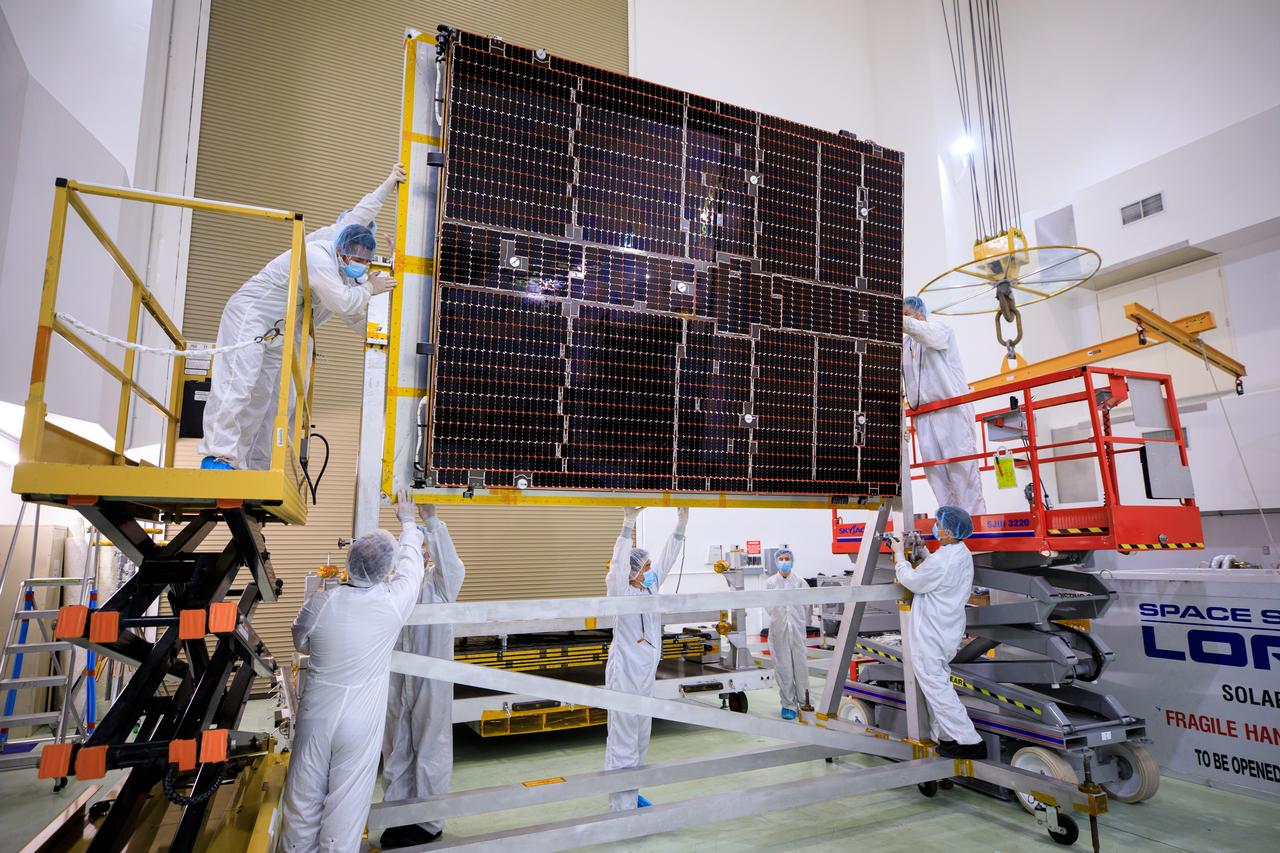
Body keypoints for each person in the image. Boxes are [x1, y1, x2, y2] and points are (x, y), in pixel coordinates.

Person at [198, 164, 405, 471]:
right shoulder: (322, 253)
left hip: (281, 330)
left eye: (367, 256)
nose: (362, 260)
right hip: (253, 315)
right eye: (357, 253)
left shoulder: (345, 276)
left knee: (267, 399)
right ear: (344, 242)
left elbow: (355, 316)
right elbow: (348, 301)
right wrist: (389, 183)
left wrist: (388, 337)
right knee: (238, 383)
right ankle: (217, 456)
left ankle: (252, 466)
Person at [280, 491, 427, 851]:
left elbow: (300, 642)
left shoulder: (321, 602)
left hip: (317, 714)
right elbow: (412, 568)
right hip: (360, 723)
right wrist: (408, 522)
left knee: (301, 805)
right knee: (344, 812)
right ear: (384, 570)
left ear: (350, 560)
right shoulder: (392, 605)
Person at [379, 504, 467, 849]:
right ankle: (397, 813)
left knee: (431, 744)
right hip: (397, 675)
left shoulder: (442, 583)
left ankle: (429, 821)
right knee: (397, 744)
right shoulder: (396, 584)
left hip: (431, 673)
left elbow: (450, 562)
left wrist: (429, 519)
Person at [604, 505, 689, 810]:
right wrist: (628, 524)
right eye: (646, 565)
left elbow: (669, 558)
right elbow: (616, 567)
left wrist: (681, 524)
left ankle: (632, 791)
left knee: (640, 737)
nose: (652, 569)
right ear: (633, 571)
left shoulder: (650, 587)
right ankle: (620, 803)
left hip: (645, 675)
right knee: (623, 738)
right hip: (625, 674)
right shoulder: (620, 592)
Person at [890, 504, 986, 760]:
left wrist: (899, 556)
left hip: (931, 633)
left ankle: (968, 740)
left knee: (937, 687)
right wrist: (922, 552)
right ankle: (944, 737)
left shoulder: (944, 560)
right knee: (937, 683)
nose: (936, 527)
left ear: (948, 530)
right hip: (947, 629)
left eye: (939, 524)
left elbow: (912, 581)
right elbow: (936, 571)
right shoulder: (960, 553)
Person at [901, 295, 987, 516]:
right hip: (924, 415)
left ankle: (974, 525)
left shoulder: (939, 329)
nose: (904, 322)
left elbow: (925, 334)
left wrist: (896, 318)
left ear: (920, 314)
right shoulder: (906, 345)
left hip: (952, 410)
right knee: (936, 473)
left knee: (962, 471)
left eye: (906, 315)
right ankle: (951, 527)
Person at [764, 548, 811, 720]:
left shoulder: (800, 582)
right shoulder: (770, 583)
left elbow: (806, 605)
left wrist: (795, 619)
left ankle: (805, 703)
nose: (784, 561)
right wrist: (782, 619)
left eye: (787, 558)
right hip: (778, 631)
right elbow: (768, 608)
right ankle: (788, 705)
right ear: (776, 562)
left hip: (797, 631)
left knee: (801, 668)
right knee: (783, 668)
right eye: (781, 559)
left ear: (792, 560)